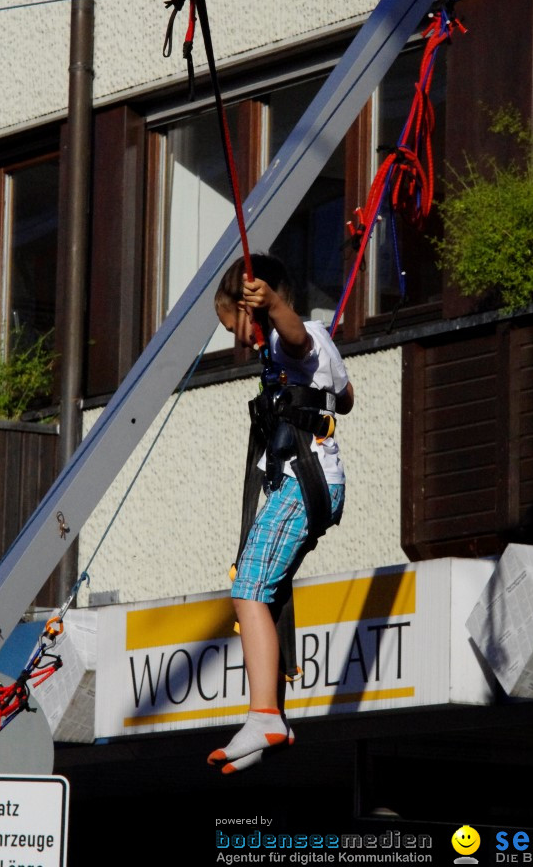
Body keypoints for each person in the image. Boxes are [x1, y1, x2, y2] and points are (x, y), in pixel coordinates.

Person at [207, 254, 354, 774]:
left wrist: (272, 306)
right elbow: (345, 394)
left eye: (233, 325)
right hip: (308, 486)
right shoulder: (302, 354)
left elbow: (296, 337)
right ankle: (272, 718)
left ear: (254, 308)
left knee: (248, 588)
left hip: (302, 483)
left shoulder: (294, 335)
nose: (237, 341)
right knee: (264, 588)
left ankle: (264, 713)